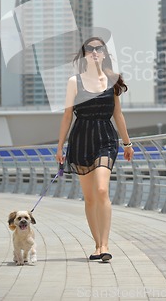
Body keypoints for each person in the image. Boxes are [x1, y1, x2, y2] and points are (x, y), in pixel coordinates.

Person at [56, 36, 134, 262]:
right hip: (81, 138)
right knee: (89, 198)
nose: (95, 52)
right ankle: (97, 245)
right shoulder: (74, 82)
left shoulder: (113, 80)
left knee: (101, 190)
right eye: (90, 49)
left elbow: (118, 114)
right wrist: (60, 147)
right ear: (84, 54)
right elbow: (67, 116)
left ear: (105, 53)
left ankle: (106, 245)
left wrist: (127, 143)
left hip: (106, 139)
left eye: (99, 49)